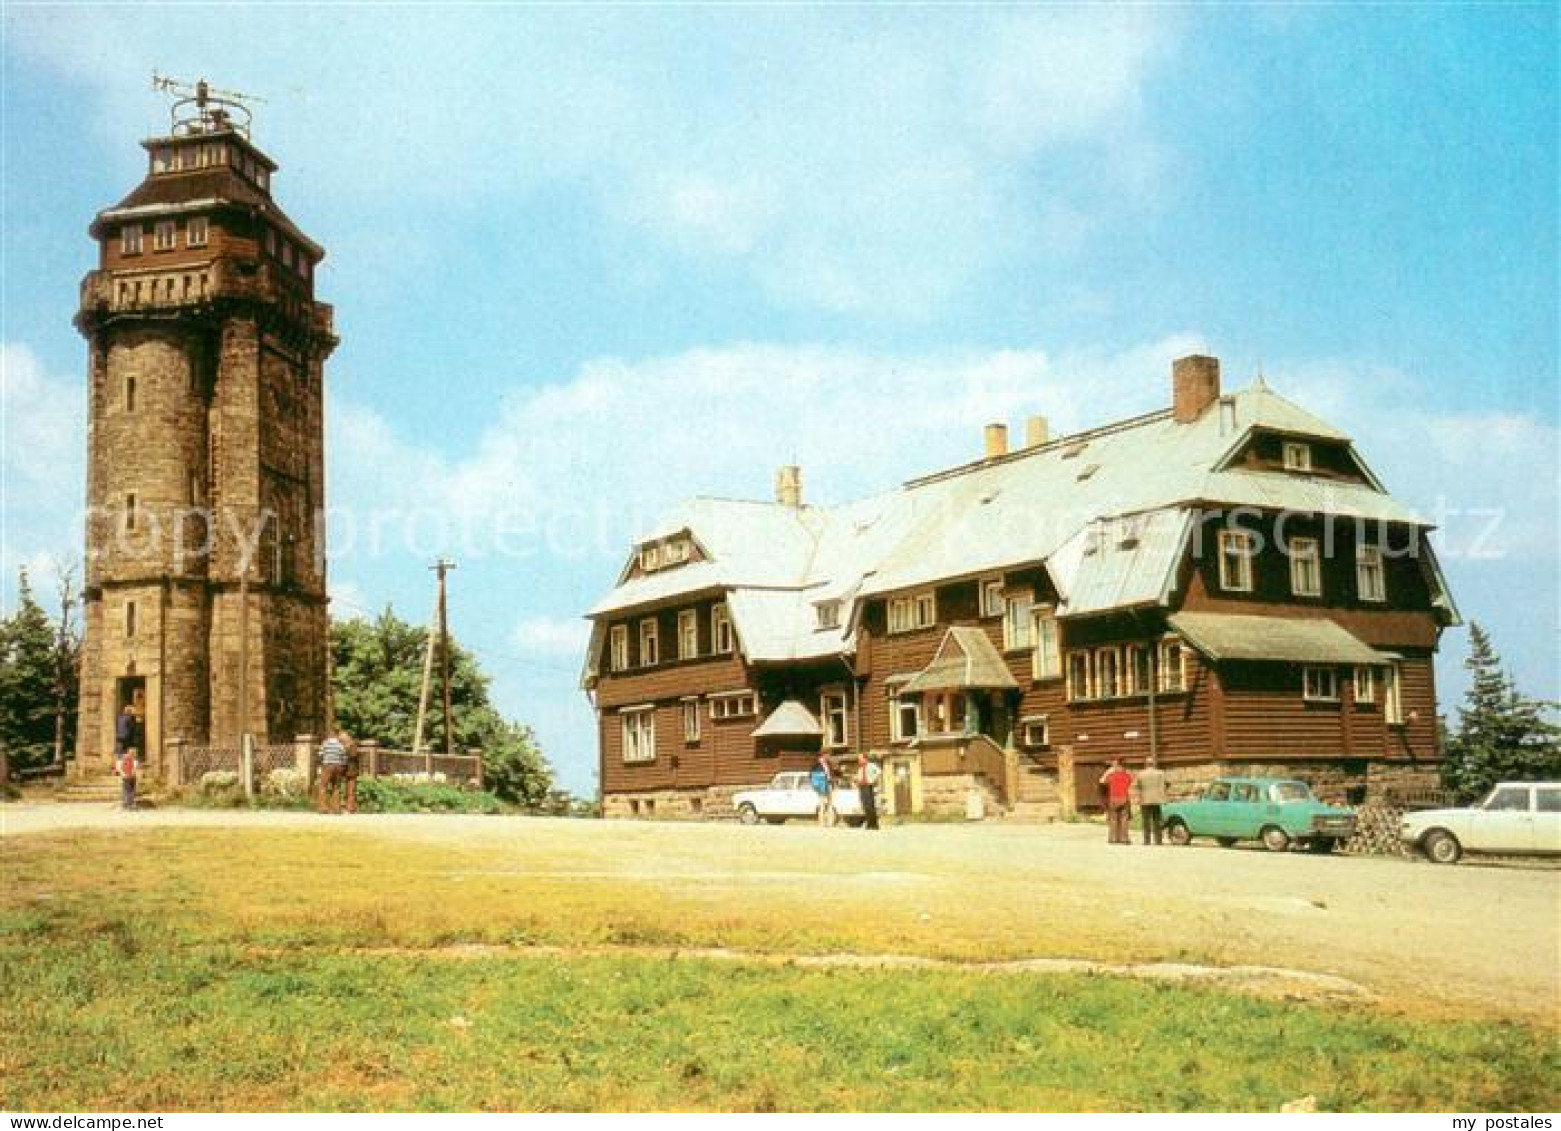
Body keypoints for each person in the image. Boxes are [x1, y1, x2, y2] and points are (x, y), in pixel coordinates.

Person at [1135, 756, 1168, 845]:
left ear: (1146, 764)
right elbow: (1166, 784)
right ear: (1153, 764)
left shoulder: (1141, 774)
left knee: (1146, 821)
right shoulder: (1160, 773)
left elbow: (1138, 786)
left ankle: (1147, 840)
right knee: (1157, 820)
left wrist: (1139, 798)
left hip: (1145, 800)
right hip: (1157, 800)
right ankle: (1158, 840)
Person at [1099, 759, 1133, 845]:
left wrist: (1108, 771)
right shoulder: (1126, 775)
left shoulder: (1111, 775)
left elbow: (1102, 781)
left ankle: (1113, 839)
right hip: (1124, 798)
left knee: (1113, 819)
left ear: (1116, 767)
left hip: (1114, 799)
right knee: (1124, 819)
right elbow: (1130, 782)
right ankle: (1124, 839)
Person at [317, 731, 348, 814]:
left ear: (328, 736)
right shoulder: (340, 745)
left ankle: (323, 808)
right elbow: (344, 757)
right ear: (336, 736)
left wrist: (321, 764)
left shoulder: (325, 744)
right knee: (336, 788)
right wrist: (342, 767)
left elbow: (320, 755)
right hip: (338, 767)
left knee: (323, 786)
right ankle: (336, 809)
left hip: (327, 766)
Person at [855, 752, 881, 830]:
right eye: (859, 759)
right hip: (861, 786)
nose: (859, 760)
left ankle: (874, 824)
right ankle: (869, 824)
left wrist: (873, 779)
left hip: (868, 785)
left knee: (870, 805)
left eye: (860, 758)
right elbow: (859, 777)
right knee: (865, 805)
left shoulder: (871, 765)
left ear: (865, 758)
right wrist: (856, 780)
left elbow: (879, 772)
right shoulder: (860, 768)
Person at [810, 751, 835, 827]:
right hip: (821, 785)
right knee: (822, 804)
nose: (828, 756)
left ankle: (830, 822)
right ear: (823, 755)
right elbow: (811, 775)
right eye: (827, 755)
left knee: (830, 803)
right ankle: (822, 822)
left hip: (829, 784)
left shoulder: (828, 764)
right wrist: (815, 785)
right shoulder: (816, 764)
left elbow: (831, 773)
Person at [341, 732, 361, 814]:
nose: (341, 739)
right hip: (345, 769)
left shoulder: (351, 744)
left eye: (342, 737)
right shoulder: (347, 745)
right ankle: (345, 807)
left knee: (351, 790)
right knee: (346, 789)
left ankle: (350, 808)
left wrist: (346, 753)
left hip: (351, 769)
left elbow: (354, 755)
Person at [117, 745, 138, 811]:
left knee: (130, 790)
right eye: (132, 752)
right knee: (128, 790)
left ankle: (129, 804)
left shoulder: (132, 760)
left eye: (134, 752)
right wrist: (123, 774)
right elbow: (119, 767)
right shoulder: (126, 759)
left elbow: (134, 768)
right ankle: (128, 804)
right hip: (127, 776)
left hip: (130, 776)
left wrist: (123, 774)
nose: (133, 753)